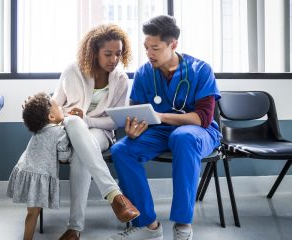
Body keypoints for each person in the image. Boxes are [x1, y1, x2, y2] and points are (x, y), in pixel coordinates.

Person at [108, 15, 222, 240]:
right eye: (146, 47)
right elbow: (138, 112)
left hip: (199, 132)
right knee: (121, 150)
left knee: (183, 137)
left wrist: (161, 116)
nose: (149, 53)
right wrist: (133, 128)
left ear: (173, 45)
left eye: (155, 48)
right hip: (159, 131)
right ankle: (148, 226)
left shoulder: (201, 70)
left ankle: (183, 225)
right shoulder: (143, 73)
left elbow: (202, 118)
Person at [52, 23, 140, 240]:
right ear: (94, 52)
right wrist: (68, 116)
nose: (114, 59)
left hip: (101, 133)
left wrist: (87, 119)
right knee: (74, 124)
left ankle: (74, 229)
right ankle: (115, 196)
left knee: (82, 153)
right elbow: (55, 105)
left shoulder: (120, 79)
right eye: (108, 54)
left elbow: (114, 121)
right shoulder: (72, 70)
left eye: (118, 54)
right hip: (70, 131)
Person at [7, 92, 72, 240]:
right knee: (33, 213)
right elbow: (64, 158)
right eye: (59, 107)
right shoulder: (60, 132)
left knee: (31, 213)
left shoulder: (39, 127)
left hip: (26, 169)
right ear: (51, 117)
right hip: (38, 175)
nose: (62, 107)